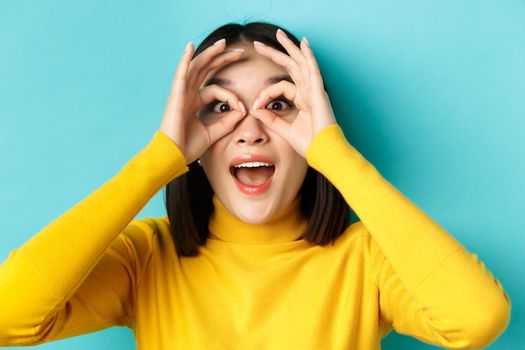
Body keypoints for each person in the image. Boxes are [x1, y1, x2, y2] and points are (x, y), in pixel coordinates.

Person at [0, 21, 511, 349]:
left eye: (279, 104)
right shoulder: (148, 257)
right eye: (220, 108)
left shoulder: (366, 261)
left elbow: (476, 319)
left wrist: (334, 155)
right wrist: (160, 159)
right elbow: (9, 315)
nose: (249, 128)